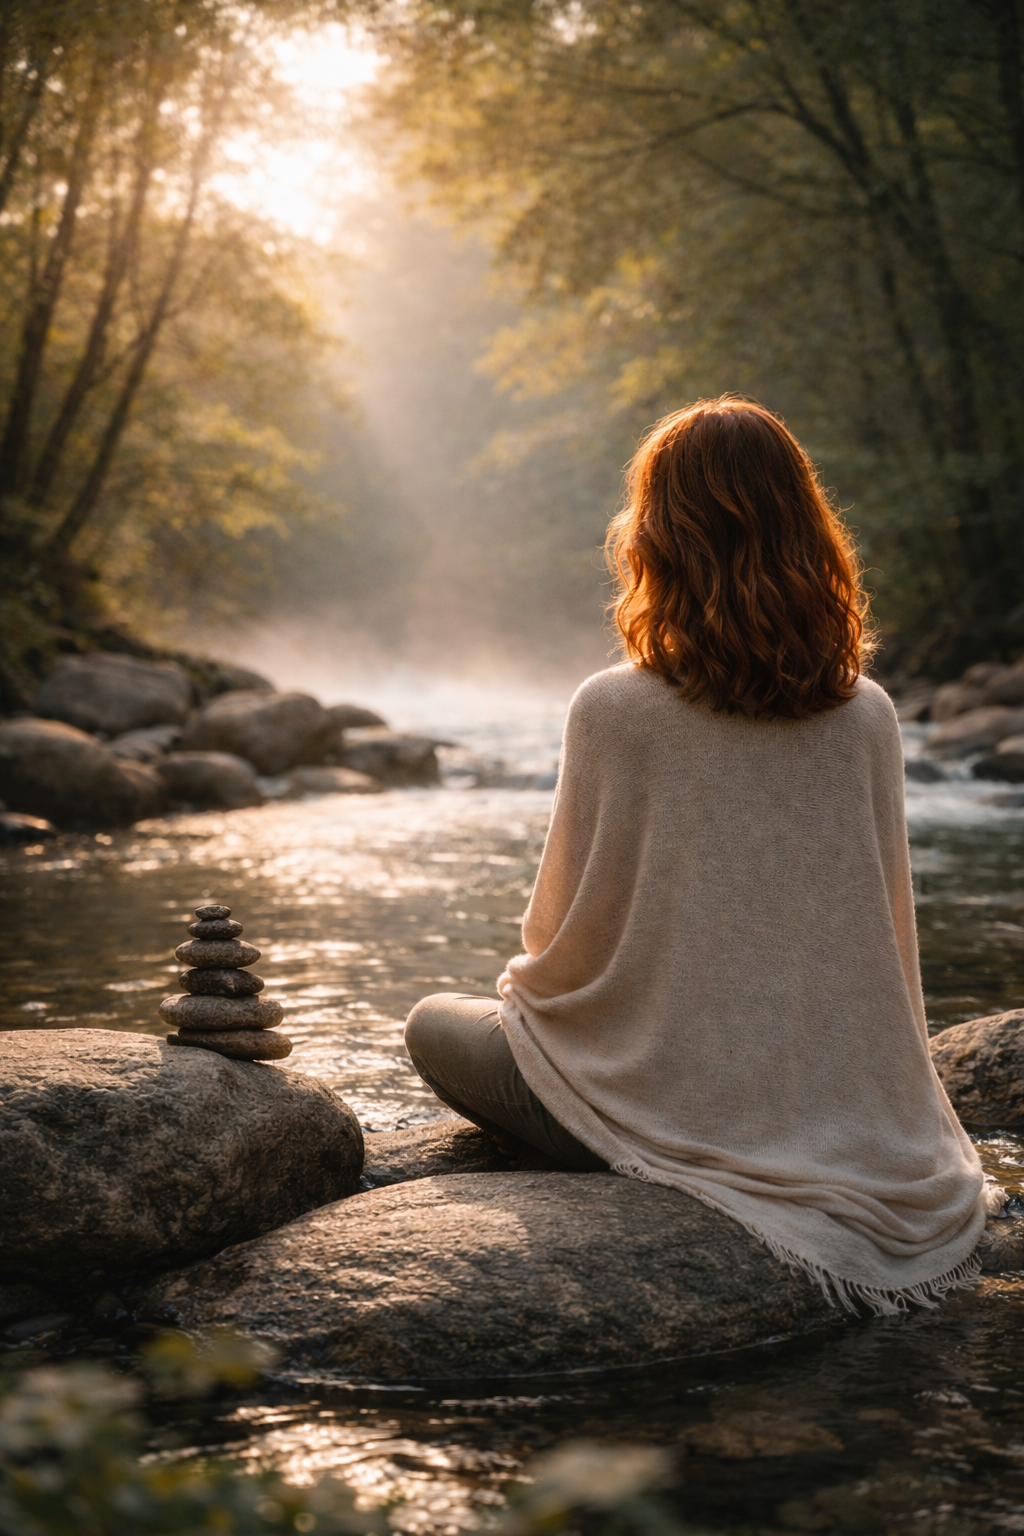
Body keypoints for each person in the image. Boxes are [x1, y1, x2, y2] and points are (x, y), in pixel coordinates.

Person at [405, 396, 996, 1313]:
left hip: (652, 1096)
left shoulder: (611, 708)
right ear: (809, 533)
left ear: (658, 537)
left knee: (434, 1023)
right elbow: (882, 946)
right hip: (844, 1111)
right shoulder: (868, 717)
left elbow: (556, 940)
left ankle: (616, 1141)